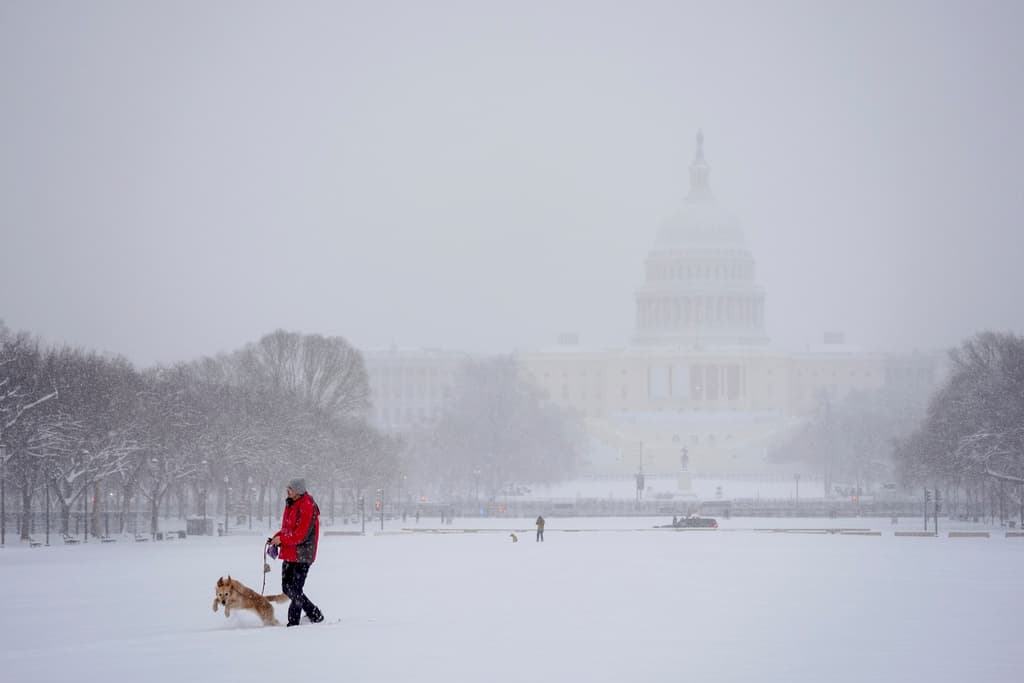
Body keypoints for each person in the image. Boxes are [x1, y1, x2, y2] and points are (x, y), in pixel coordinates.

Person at [270, 478, 324, 627]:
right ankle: (314, 614)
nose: (288, 491)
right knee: (287, 588)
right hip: (291, 552)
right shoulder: (291, 503)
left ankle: (293, 623)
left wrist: (282, 540)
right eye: (288, 488)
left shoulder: (307, 505)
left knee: (295, 590)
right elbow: (288, 529)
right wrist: (277, 537)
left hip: (303, 554)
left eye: (291, 489)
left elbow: (301, 535)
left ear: (298, 491)